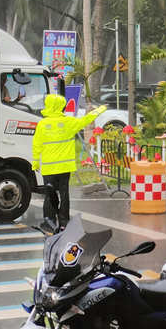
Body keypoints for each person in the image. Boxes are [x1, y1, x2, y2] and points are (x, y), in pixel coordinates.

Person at [32, 94, 106, 232]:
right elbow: (86, 120)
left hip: (48, 168)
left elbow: (37, 145)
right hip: (65, 167)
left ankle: (49, 221)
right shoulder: (69, 122)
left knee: (50, 195)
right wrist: (99, 110)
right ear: (61, 106)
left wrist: (35, 162)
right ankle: (64, 223)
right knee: (64, 195)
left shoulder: (42, 124)